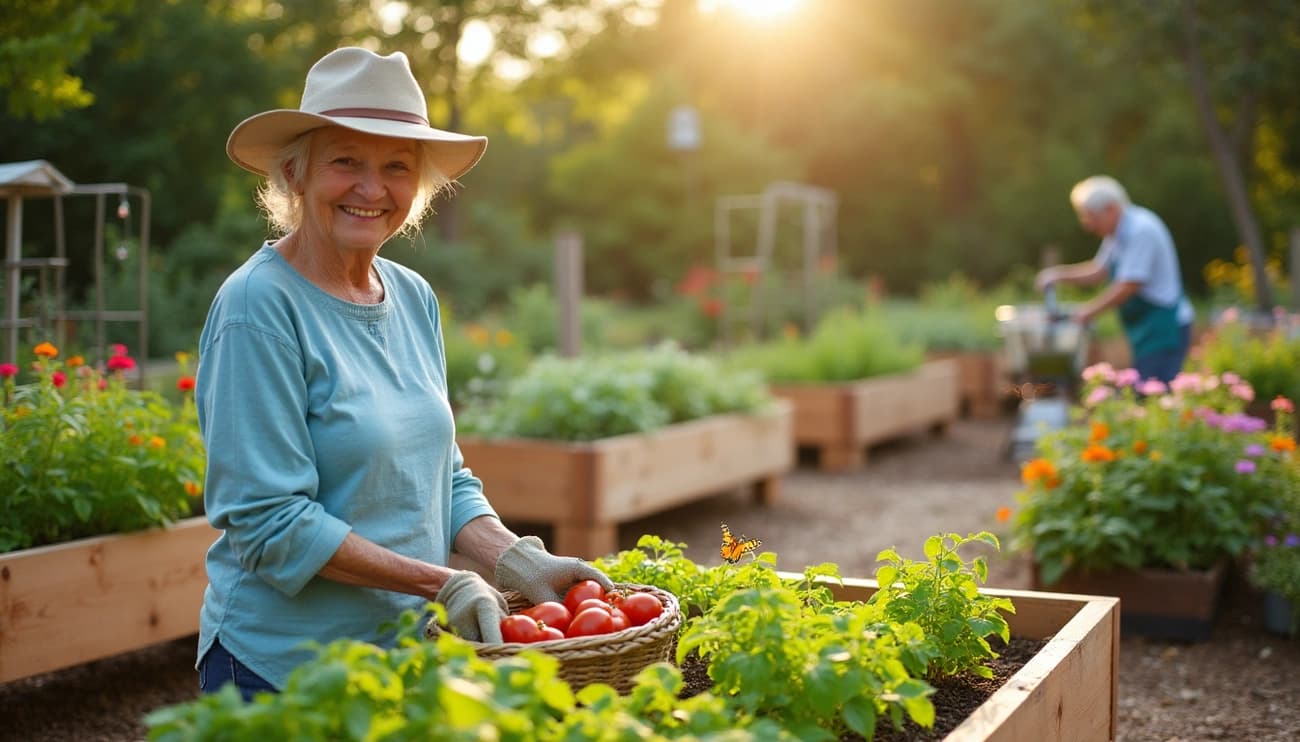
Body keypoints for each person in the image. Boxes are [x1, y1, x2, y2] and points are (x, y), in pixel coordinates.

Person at [194, 47, 612, 701]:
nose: (372, 189)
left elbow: (441, 478)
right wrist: (441, 582)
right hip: (282, 671)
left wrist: (512, 555)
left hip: (404, 659)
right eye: (345, 162)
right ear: (295, 174)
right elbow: (269, 522)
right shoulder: (258, 308)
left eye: (397, 167)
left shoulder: (412, 296)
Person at [1035, 175, 1194, 384]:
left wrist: (1088, 312)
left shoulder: (1141, 230)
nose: (1087, 225)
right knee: (1147, 390)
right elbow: (1099, 270)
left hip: (1165, 328)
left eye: (1090, 216)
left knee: (1152, 392)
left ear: (1110, 208)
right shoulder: (1117, 233)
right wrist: (1057, 275)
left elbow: (1129, 285)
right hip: (1148, 329)